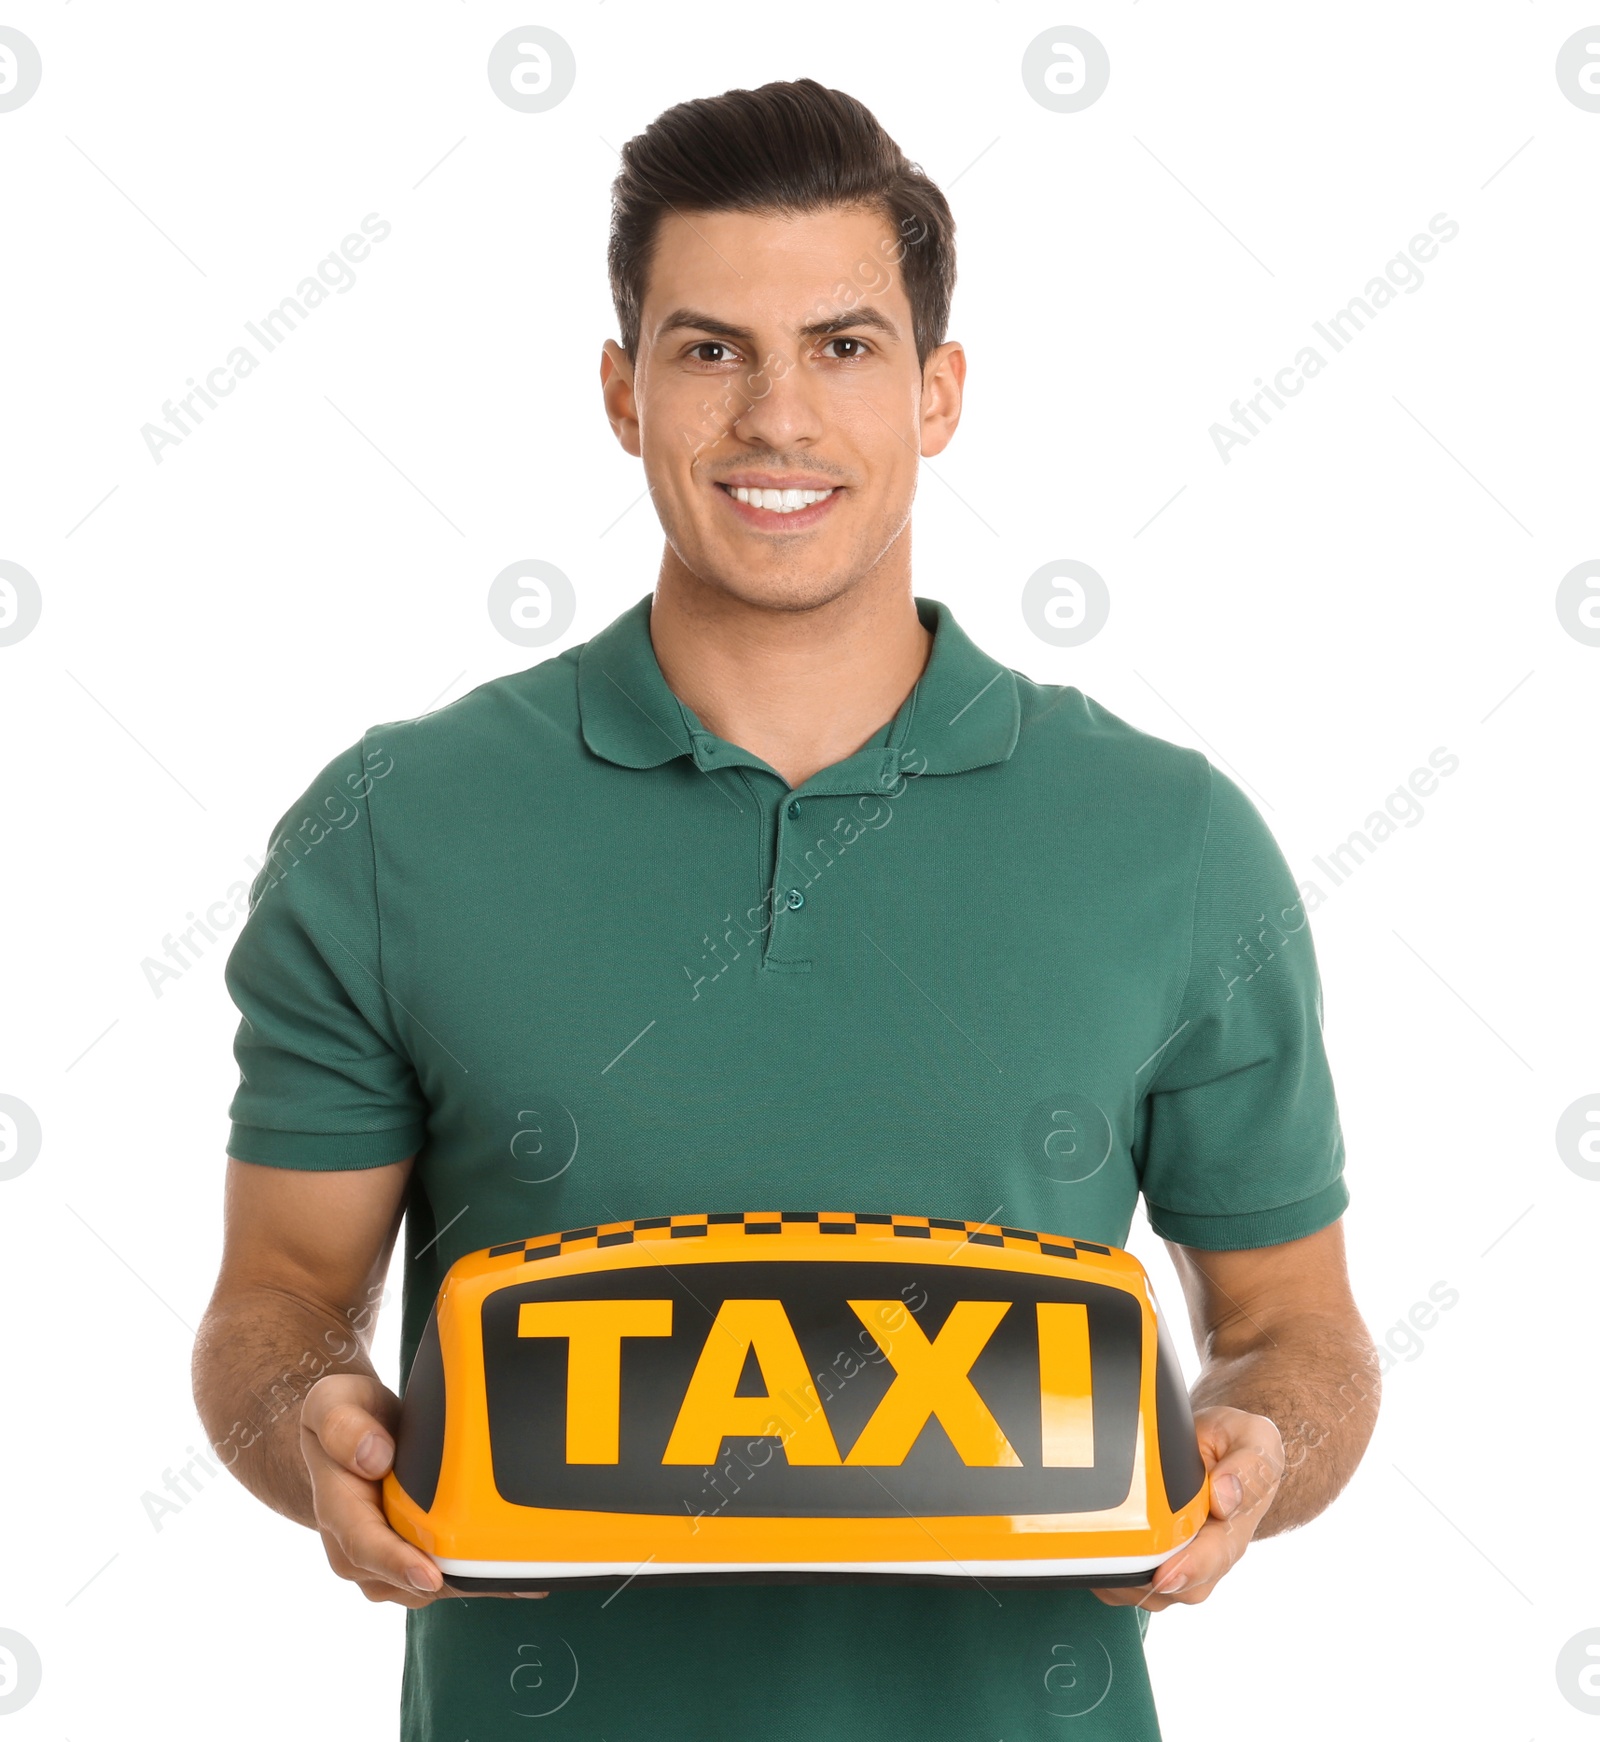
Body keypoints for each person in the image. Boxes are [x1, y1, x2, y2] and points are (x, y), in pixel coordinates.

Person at [193, 77, 1379, 1741]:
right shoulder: (394, 828)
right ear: (622, 392)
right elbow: (276, 1299)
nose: (775, 418)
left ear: (938, 390)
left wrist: (1266, 1448)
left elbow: (1291, 1330)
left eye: (841, 346)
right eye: (708, 350)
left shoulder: (1173, 839)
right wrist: (307, 1415)